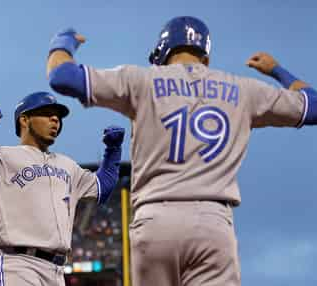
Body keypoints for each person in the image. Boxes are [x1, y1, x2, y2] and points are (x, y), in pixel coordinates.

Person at [45, 16, 317, 286]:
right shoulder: (245, 90)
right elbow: (313, 106)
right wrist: (277, 70)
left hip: (155, 220)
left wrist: (63, 41)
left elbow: (62, 77)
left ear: (163, 52)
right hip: (213, 223)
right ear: (206, 59)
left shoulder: (142, 81)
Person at [0, 91, 125, 286]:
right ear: (24, 120)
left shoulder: (68, 166)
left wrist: (113, 150)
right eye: (46, 113)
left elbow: (102, 187)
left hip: (55, 271)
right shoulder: (4, 157)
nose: (55, 119)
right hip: (16, 266)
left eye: (58, 116)